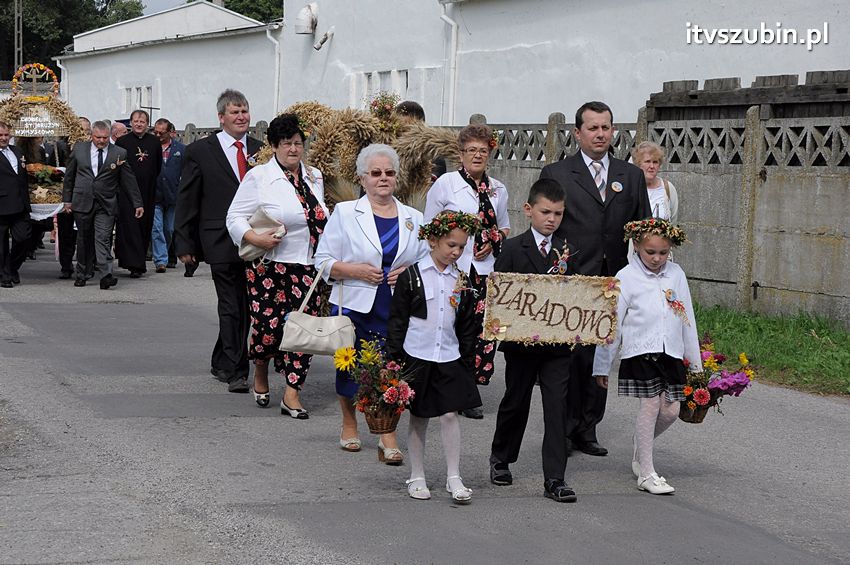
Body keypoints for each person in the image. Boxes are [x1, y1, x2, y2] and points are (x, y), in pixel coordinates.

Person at [539, 101, 651, 456]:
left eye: (606, 127)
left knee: (601, 356)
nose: (601, 134)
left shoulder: (629, 175)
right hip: (572, 278)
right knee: (571, 357)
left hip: (613, 279)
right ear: (577, 133)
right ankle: (565, 429)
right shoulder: (557, 173)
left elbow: (644, 227)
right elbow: (547, 226)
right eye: (593, 128)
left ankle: (588, 428)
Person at [314, 143, 429, 463]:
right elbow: (322, 261)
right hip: (353, 304)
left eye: (389, 173)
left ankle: (386, 432)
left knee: (391, 368)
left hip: (396, 306)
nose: (383, 178)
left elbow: (427, 262)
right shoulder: (346, 213)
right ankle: (349, 423)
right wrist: (355, 270)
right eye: (375, 173)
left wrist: (408, 270)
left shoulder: (414, 218)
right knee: (349, 367)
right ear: (362, 178)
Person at [226, 114, 329, 416]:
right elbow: (234, 217)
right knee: (268, 331)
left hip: (308, 267)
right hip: (269, 268)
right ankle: (260, 370)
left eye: (298, 143)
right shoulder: (259, 177)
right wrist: (253, 238)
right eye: (286, 144)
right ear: (274, 146)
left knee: (304, 332)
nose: (293, 150)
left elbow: (321, 217)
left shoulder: (315, 176)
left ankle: (292, 395)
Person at [593, 218, 701, 494]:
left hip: (671, 353)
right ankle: (647, 473)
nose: (657, 258)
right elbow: (612, 323)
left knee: (672, 411)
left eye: (663, 252)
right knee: (651, 405)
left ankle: (641, 445)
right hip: (641, 351)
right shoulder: (626, 277)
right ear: (637, 246)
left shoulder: (676, 274)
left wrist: (696, 364)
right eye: (650, 252)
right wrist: (601, 365)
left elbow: (686, 317)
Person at [488, 178, 578, 503]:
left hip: (556, 346)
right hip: (521, 344)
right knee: (517, 399)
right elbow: (500, 295)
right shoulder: (513, 249)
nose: (551, 219)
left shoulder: (568, 249)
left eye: (557, 213)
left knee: (557, 407)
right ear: (529, 210)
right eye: (545, 212)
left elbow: (578, 295)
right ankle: (501, 457)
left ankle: (555, 477)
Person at [387, 210, 481, 502]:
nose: (456, 251)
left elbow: (466, 323)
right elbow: (398, 320)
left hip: (449, 356)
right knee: (419, 416)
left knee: (451, 414)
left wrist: (467, 359)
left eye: (461, 247)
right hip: (417, 355)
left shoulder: (461, 279)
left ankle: (454, 476)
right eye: (451, 245)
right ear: (432, 240)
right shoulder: (412, 276)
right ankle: (417, 475)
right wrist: (392, 361)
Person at [174, 89, 262, 393]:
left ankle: (222, 358)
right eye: (235, 112)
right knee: (230, 303)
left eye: (245, 111)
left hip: (254, 239)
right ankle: (237, 371)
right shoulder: (200, 151)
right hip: (219, 238)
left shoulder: (261, 151)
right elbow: (187, 198)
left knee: (247, 304)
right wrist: (184, 244)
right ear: (221, 117)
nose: (241, 117)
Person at [424, 124, 510, 419]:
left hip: (485, 269)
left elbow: (505, 225)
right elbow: (429, 227)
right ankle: (448, 386)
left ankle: (469, 389)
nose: (477, 156)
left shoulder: (498, 189)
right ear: (461, 154)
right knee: (452, 327)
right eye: (471, 150)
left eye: (483, 151)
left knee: (483, 330)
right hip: (454, 267)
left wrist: (492, 240)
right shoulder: (446, 184)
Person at [62, 121, 143, 289]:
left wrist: (137, 203)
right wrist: (67, 200)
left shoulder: (119, 153)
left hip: (106, 203)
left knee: (103, 238)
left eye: (105, 138)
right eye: (98, 137)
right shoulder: (79, 150)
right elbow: (69, 177)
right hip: (82, 201)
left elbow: (129, 180)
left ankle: (106, 274)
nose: (101, 141)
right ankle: (82, 273)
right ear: (92, 136)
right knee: (83, 239)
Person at [116, 110, 163, 277]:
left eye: (142, 121)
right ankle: (134, 264)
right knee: (130, 227)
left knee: (144, 226)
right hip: (127, 193)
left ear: (147, 123)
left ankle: (139, 260)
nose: (139, 124)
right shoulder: (122, 142)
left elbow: (157, 167)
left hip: (148, 191)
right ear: (131, 122)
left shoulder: (154, 142)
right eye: (135, 121)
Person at [0, 121, 31, 288]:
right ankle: (4, 275)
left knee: (23, 239)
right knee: (1, 245)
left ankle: (12, 267)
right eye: (1, 135)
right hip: (2, 203)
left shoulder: (17, 151)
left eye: (6, 135)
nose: (4, 138)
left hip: (20, 204)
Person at [152, 119, 184, 272]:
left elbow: (186, 172)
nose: (158, 135)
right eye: (155, 132)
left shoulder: (181, 149)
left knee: (170, 229)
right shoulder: (151, 147)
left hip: (173, 195)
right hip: (155, 194)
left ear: (170, 132)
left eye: (161, 133)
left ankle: (166, 253)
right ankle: (161, 260)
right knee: (156, 228)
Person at [392, 100, 447, 179]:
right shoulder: (387, 151)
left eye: (407, 129)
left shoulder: (433, 156)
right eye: (398, 128)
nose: (402, 134)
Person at [632, 141, 679, 223]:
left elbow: (673, 221)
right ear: (638, 164)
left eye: (655, 162)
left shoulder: (667, 187)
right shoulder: (630, 187)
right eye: (647, 161)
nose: (652, 166)